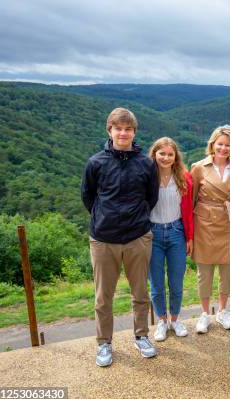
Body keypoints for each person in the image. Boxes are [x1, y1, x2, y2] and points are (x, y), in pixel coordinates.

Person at [81, 107, 159, 367]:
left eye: (128, 129)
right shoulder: (96, 163)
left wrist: (137, 220)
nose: (123, 133)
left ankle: (141, 336)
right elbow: (88, 197)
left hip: (137, 237)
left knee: (140, 292)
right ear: (110, 130)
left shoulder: (146, 164)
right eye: (118, 128)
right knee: (104, 296)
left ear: (134, 132)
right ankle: (104, 343)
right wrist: (106, 218)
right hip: (104, 239)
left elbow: (152, 197)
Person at [191, 125, 230, 333]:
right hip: (204, 225)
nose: (223, 148)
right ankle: (204, 314)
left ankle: (222, 311)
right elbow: (191, 199)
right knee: (204, 273)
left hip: (228, 223)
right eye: (220, 144)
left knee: (226, 272)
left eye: (228, 145)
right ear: (213, 144)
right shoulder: (198, 168)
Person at [147, 137, 193, 341]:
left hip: (176, 232)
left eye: (170, 154)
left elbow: (189, 212)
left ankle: (175, 319)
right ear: (154, 154)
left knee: (176, 281)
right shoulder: (146, 177)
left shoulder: (184, 178)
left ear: (176, 157)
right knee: (156, 283)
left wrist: (190, 237)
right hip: (152, 233)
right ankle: (161, 321)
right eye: (161, 153)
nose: (165, 158)